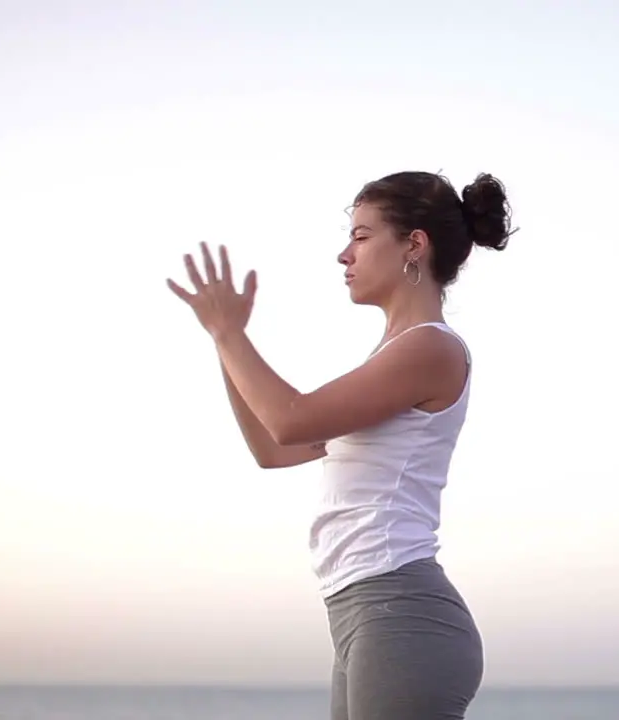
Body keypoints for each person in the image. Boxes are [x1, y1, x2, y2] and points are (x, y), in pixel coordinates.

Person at [167, 171, 514, 720]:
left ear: (413, 245)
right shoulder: (392, 358)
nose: (343, 254)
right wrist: (223, 340)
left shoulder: (430, 349)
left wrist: (232, 334)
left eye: (360, 235)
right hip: (363, 614)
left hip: (401, 613)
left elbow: (288, 420)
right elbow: (272, 447)